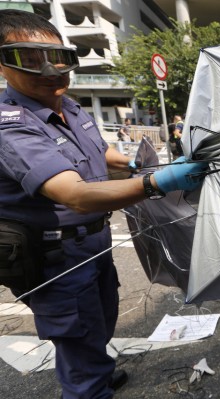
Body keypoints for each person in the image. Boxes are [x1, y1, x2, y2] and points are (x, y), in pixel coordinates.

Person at [0, 9, 208, 398]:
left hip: (93, 243)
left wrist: (133, 162)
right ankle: (87, 387)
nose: (49, 70)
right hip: (54, 255)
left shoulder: (69, 106)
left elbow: (101, 151)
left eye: (58, 58)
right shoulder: (12, 124)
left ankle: (95, 369)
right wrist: (156, 182)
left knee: (100, 317)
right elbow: (75, 195)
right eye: (29, 60)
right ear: (3, 63)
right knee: (76, 332)